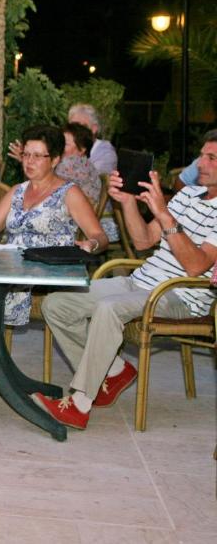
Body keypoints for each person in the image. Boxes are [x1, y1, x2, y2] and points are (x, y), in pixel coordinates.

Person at [36, 130, 217, 430]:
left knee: (108, 308)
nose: (201, 163)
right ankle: (114, 370)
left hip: (180, 296)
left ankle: (80, 402)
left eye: (211, 158)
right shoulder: (188, 195)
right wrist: (129, 202)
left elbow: (196, 266)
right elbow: (144, 240)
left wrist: (164, 214)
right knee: (56, 304)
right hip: (142, 281)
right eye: (202, 155)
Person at [0, 125, 108, 355]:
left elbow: (99, 236)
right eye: (26, 155)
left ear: (54, 160)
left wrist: (91, 244)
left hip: (44, 273)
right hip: (10, 267)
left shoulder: (69, 193)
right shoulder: (17, 191)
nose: (29, 162)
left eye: (38, 156)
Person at [55, 122, 102, 205]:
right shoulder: (86, 163)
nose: (59, 146)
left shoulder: (73, 162)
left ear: (82, 149)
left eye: (65, 144)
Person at [67, 103, 117, 176]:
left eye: (79, 126)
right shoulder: (68, 148)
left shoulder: (105, 153)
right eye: (71, 127)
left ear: (94, 129)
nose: (74, 131)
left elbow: (93, 179)